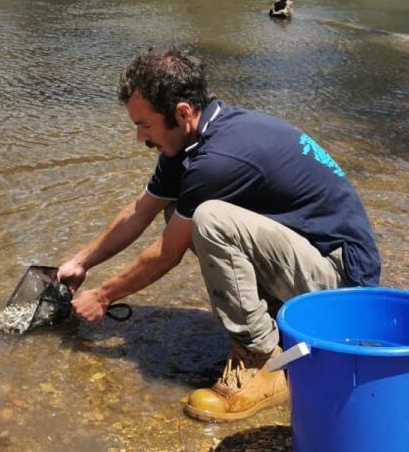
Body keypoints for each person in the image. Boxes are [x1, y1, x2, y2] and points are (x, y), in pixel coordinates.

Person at [57, 46, 381, 422]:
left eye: (144, 125)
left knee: (207, 219)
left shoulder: (218, 161)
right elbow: (138, 210)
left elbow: (168, 253)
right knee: (180, 212)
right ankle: (273, 318)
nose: (139, 138)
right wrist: (81, 262)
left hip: (344, 288)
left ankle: (262, 361)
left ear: (181, 112)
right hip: (312, 261)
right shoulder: (191, 141)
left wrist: (103, 295)